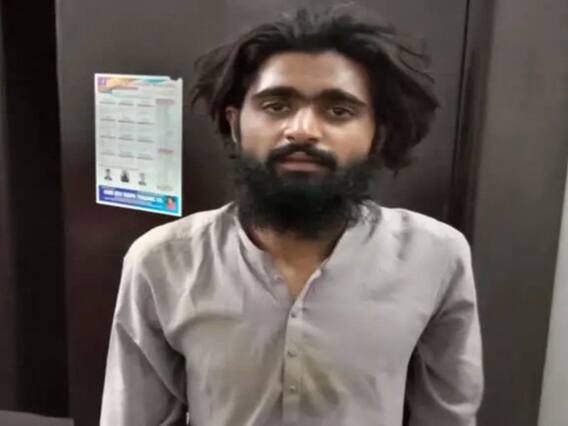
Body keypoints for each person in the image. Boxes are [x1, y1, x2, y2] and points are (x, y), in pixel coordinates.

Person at [100, 5, 483, 426]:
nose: (302, 130)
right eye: (276, 105)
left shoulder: (436, 256)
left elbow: (447, 416)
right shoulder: (162, 261)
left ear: (378, 134)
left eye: (338, 111)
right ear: (235, 125)